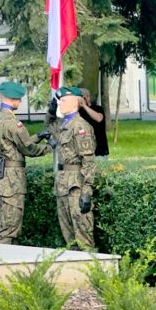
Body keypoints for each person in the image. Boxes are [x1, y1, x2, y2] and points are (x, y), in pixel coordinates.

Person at [0, 81, 50, 244]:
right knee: (9, 229)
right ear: (14, 99)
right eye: (19, 99)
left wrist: (38, 137)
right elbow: (28, 148)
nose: (20, 102)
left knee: (3, 225)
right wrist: (50, 148)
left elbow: (10, 145)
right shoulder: (12, 122)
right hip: (12, 182)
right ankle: (0, 266)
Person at [53, 85, 97, 250]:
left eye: (63, 100)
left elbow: (88, 160)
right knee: (69, 237)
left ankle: (90, 271)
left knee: (83, 234)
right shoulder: (66, 125)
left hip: (76, 186)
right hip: (64, 184)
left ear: (74, 103)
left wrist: (87, 191)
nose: (60, 104)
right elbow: (50, 126)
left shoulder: (80, 127)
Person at [78, 88, 109, 159]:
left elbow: (98, 118)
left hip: (99, 151)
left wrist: (85, 106)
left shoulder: (98, 108)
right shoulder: (77, 112)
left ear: (86, 97)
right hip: (83, 151)